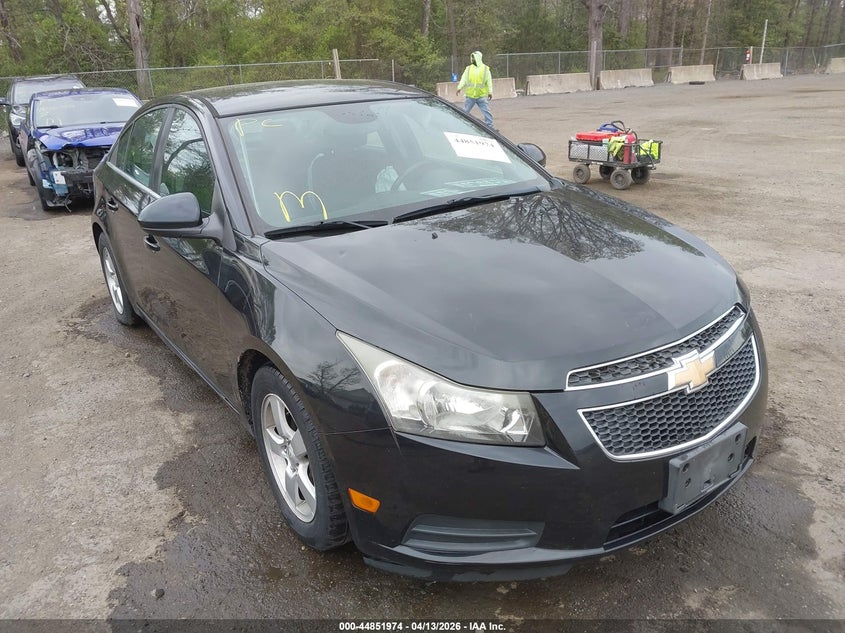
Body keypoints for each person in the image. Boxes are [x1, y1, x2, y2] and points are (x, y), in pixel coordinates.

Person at [456, 50, 494, 128]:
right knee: (465, 112)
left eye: (474, 58)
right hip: (470, 95)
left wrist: (490, 92)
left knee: (486, 111)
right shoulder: (469, 68)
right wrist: (459, 87)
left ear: (478, 58)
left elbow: (489, 81)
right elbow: (464, 79)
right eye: (472, 57)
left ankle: (490, 126)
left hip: (481, 95)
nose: (472, 59)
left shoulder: (485, 69)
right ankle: (461, 125)